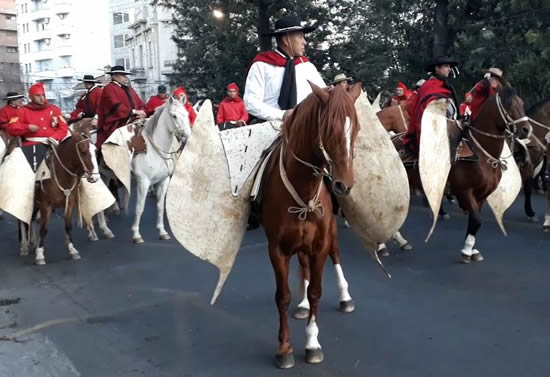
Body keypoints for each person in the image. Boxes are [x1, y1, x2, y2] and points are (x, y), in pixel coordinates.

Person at [243, 15, 326, 122]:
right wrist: (281, 115)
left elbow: (323, 94)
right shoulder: (261, 65)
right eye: (300, 36)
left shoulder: (307, 66)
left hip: (306, 126)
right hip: (271, 127)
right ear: (286, 40)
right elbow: (251, 102)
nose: (304, 42)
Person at [403, 56, 459, 156]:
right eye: (446, 66)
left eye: (449, 66)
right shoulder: (428, 86)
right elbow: (425, 114)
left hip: (449, 130)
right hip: (432, 133)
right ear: (437, 68)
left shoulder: (444, 85)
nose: (449, 69)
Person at [5, 82, 68, 170]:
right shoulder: (22, 111)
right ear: (31, 97)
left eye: (43, 95)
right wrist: (27, 127)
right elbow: (11, 128)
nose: (42, 98)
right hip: (32, 147)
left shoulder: (54, 109)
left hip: (54, 144)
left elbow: (63, 127)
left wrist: (55, 137)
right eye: (38, 96)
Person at [96, 65, 146, 149]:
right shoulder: (108, 88)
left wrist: (142, 112)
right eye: (123, 75)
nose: (126, 78)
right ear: (115, 76)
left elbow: (140, 103)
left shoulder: (129, 89)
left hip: (133, 119)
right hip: (117, 123)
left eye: (125, 75)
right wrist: (133, 112)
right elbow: (115, 106)